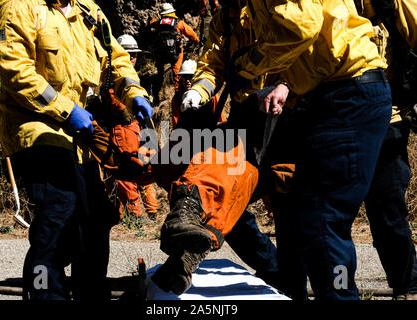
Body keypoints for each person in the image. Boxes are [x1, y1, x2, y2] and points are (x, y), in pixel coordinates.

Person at [229, 0, 392, 300]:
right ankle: (304, 291)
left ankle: (341, 296)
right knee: (303, 214)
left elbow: (302, 26)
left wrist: (248, 67)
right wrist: (285, 83)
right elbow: (315, 46)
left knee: (324, 221)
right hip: (332, 95)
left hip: (347, 97)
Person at [0, 0, 153, 300]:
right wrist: (67, 111)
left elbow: (117, 58)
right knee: (58, 213)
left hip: (78, 136)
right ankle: (43, 293)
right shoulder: (18, 7)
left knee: (95, 220)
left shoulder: (88, 10)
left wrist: (134, 94)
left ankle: (90, 293)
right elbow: (16, 73)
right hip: (36, 131)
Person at [151, 0, 281, 295]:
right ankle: (189, 250)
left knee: (243, 183)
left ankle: (281, 273)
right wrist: (200, 89)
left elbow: (300, 41)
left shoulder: (277, 6)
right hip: (247, 111)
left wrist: (284, 84)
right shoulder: (228, 17)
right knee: (230, 189)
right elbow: (213, 62)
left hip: (285, 107)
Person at [355, 0, 417, 300]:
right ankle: (336, 285)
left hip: (387, 117)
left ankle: (407, 285)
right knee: (329, 210)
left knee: (387, 205)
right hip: (338, 117)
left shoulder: (394, 1)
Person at [110, 34, 159, 222]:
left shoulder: (140, 78)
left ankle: (150, 212)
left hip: (142, 129)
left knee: (145, 169)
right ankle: (135, 215)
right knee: (127, 170)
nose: (131, 58)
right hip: (126, 130)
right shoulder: (114, 78)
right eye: (127, 54)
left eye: (134, 55)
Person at [150, 3, 200, 105]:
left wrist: (151, 21)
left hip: (161, 54)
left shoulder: (159, 23)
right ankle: (178, 96)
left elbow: (152, 23)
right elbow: (191, 34)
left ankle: (157, 94)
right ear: (172, 12)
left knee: (160, 73)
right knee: (177, 74)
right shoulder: (178, 23)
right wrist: (197, 41)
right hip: (175, 53)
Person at [171, 59, 226, 128]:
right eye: (185, 77)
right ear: (181, 79)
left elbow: (221, 119)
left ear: (196, 77)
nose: (188, 81)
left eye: (190, 77)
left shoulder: (211, 95)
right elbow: (176, 126)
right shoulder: (177, 99)